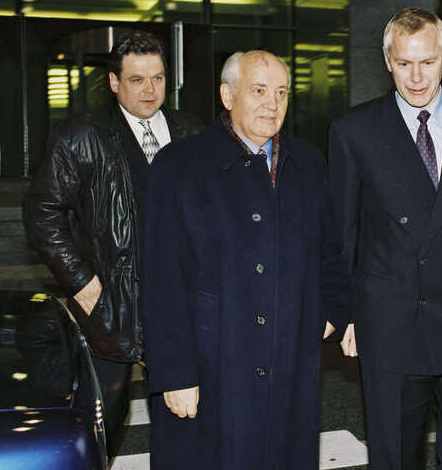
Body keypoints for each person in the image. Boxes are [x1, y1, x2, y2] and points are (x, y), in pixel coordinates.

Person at [139, 50, 352, 469]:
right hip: (213, 363)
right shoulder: (178, 166)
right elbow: (162, 279)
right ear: (227, 94)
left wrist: (333, 311)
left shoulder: (307, 163)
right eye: (258, 91)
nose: (272, 104)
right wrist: (176, 374)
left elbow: (330, 250)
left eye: (281, 93)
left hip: (289, 360)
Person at [328, 7, 442, 470]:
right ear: (387, 60)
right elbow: (343, 233)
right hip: (389, 320)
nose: (416, 78)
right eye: (404, 63)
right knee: (394, 458)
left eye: (427, 62)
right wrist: (344, 313)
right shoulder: (353, 131)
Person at [23, 30, 203, 458]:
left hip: (182, 301)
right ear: (113, 82)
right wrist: (83, 283)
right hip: (111, 304)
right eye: (137, 79)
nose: (149, 89)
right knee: (102, 420)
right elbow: (42, 212)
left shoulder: (192, 132)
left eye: (157, 78)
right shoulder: (80, 135)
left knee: (186, 411)